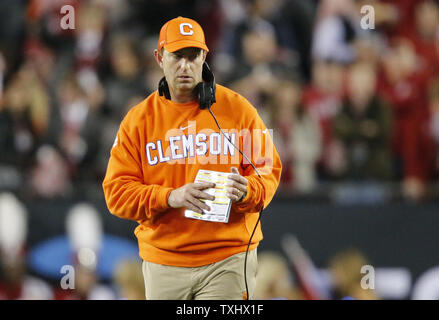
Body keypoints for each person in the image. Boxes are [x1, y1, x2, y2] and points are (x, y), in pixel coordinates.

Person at [102, 16, 282, 300]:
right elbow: (116, 194)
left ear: (204, 58)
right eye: (176, 56)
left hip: (228, 257)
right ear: (159, 57)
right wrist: (170, 197)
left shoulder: (239, 110)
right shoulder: (137, 121)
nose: (185, 66)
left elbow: (267, 172)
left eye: (193, 56)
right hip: (165, 261)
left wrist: (248, 190)